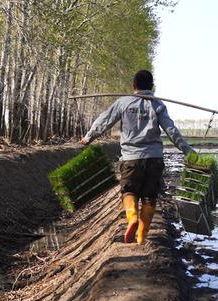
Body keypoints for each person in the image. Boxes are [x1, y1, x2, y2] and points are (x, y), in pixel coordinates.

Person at [80, 70, 195, 245]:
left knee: (129, 191)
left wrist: (89, 137)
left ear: (134, 86)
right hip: (154, 159)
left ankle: (132, 217)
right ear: (152, 87)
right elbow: (171, 130)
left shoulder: (123, 102)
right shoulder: (158, 105)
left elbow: (105, 120)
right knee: (150, 196)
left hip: (131, 158)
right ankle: (142, 236)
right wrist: (187, 151)